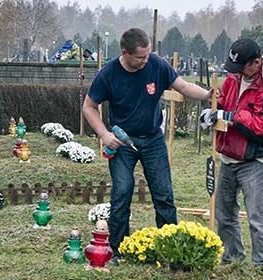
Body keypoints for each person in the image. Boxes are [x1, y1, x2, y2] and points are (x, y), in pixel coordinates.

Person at [82, 27, 213, 265]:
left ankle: (171, 247)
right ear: (125, 53)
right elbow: (88, 106)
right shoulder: (108, 74)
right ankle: (117, 249)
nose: (146, 60)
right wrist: (104, 134)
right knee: (122, 192)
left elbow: (182, 86)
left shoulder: (156, 65)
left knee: (163, 193)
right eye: (141, 57)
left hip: (153, 139)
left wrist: (207, 94)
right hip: (122, 142)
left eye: (148, 55)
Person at [203, 38, 263, 268]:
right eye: (234, 69)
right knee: (224, 214)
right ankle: (232, 259)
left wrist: (230, 117)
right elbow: (221, 101)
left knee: (257, 218)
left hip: (253, 159)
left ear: (257, 63)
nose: (236, 73)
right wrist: (211, 112)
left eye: (242, 68)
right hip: (228, 155)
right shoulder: (234, 76)